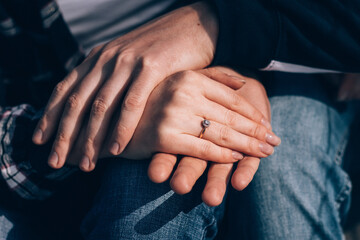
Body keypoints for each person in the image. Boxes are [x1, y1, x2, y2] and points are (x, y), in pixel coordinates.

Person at [1, 0, 359, 239]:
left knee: (281, 183)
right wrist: (109, 117)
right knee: (139, 209)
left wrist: (218, 28)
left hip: (283, 63)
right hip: (76, 121)